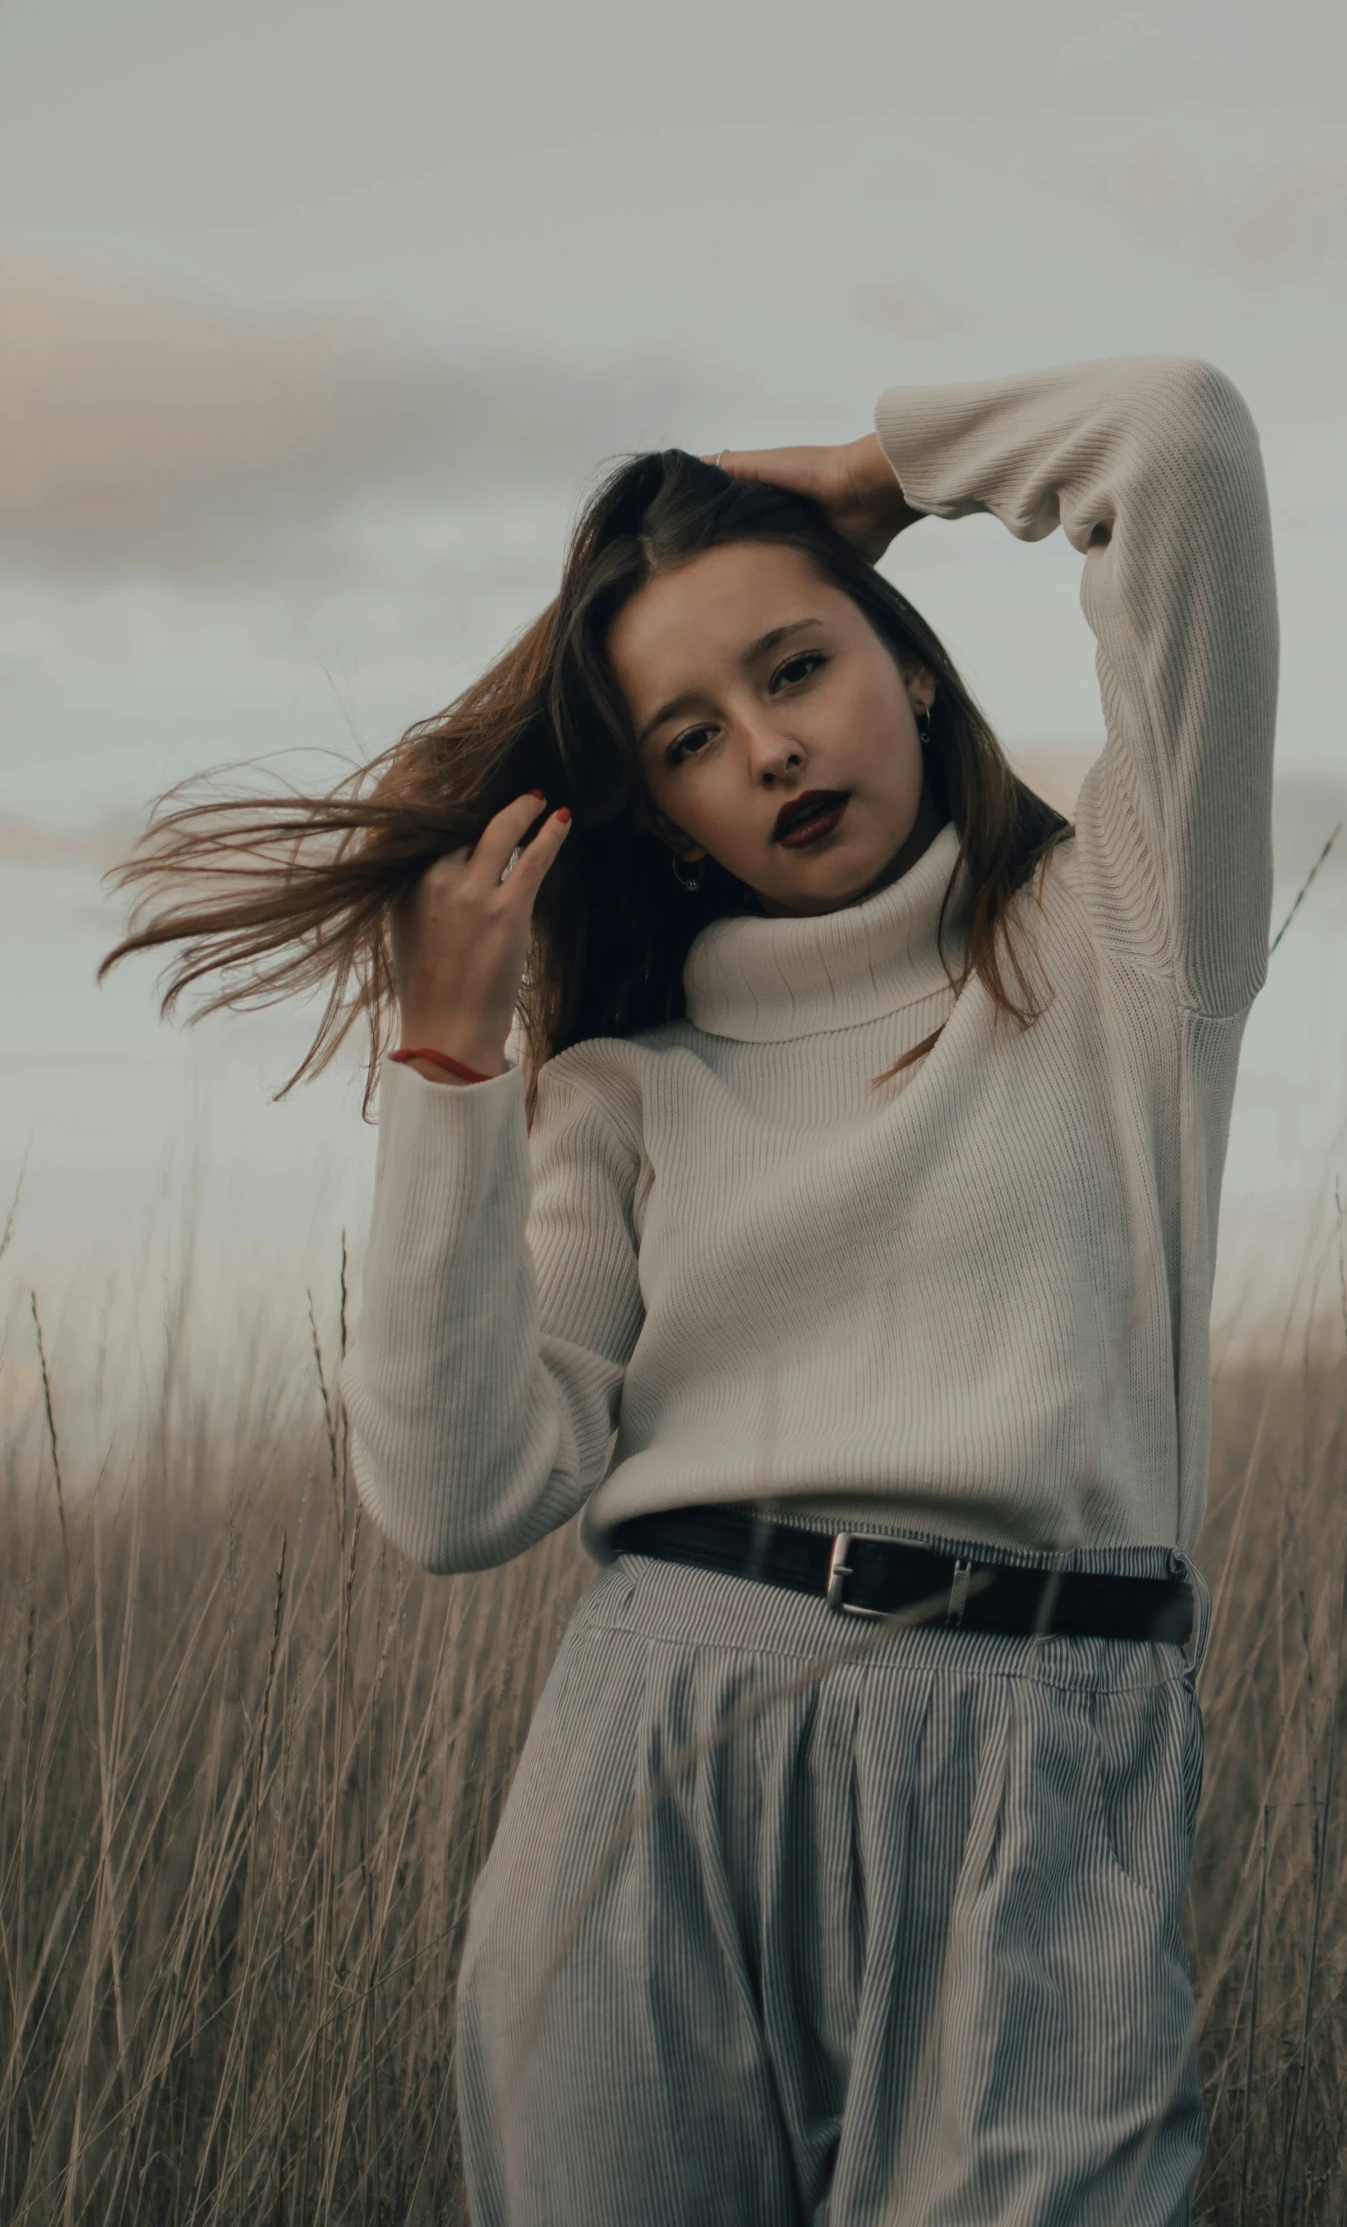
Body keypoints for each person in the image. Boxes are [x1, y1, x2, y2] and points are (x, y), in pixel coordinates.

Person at [104, 356, 1278, 2225]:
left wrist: (875, 471)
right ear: (661, 817)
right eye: (689, 738)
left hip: (1047, 1762)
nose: (767, 749)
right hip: (660, 1758)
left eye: (793, 668)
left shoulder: (1126, 945)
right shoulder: (628, 1092)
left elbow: (1178, 440)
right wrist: (449, 1059)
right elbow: (453, 1497)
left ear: (907, 661)